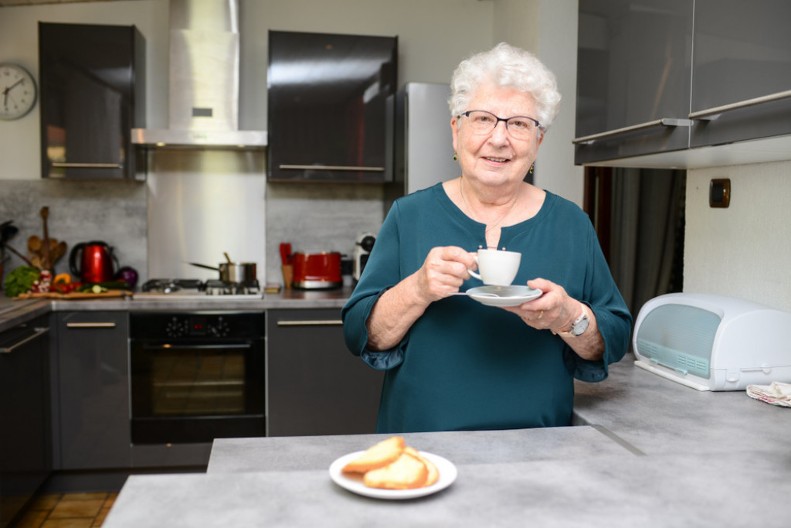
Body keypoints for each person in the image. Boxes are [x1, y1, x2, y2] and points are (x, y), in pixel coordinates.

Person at [342, 42, 632, 433]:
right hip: (422, 447)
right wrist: (417, 290)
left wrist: (569, 317)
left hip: (539, 448)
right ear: (456, 130)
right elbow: (361, 334)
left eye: (518, 124)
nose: (499, 139)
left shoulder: (570, 224)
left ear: (538, 142)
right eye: (482, 119)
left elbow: (611, 339)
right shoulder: (408, 216)